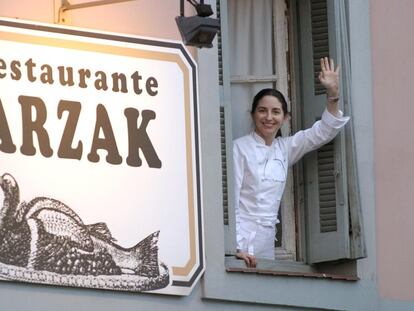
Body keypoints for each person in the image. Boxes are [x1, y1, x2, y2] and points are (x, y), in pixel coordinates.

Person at [233, 57, 349, 268]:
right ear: (252, 114)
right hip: (240, 243)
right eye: (262, 110)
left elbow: (324, 131)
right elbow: (230, 203)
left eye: (276, 112)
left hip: (267, 245)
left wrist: (333, 94)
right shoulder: (239, 148)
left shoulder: (284, 148)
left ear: (285, 118)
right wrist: (234, 248)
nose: (269, 117)